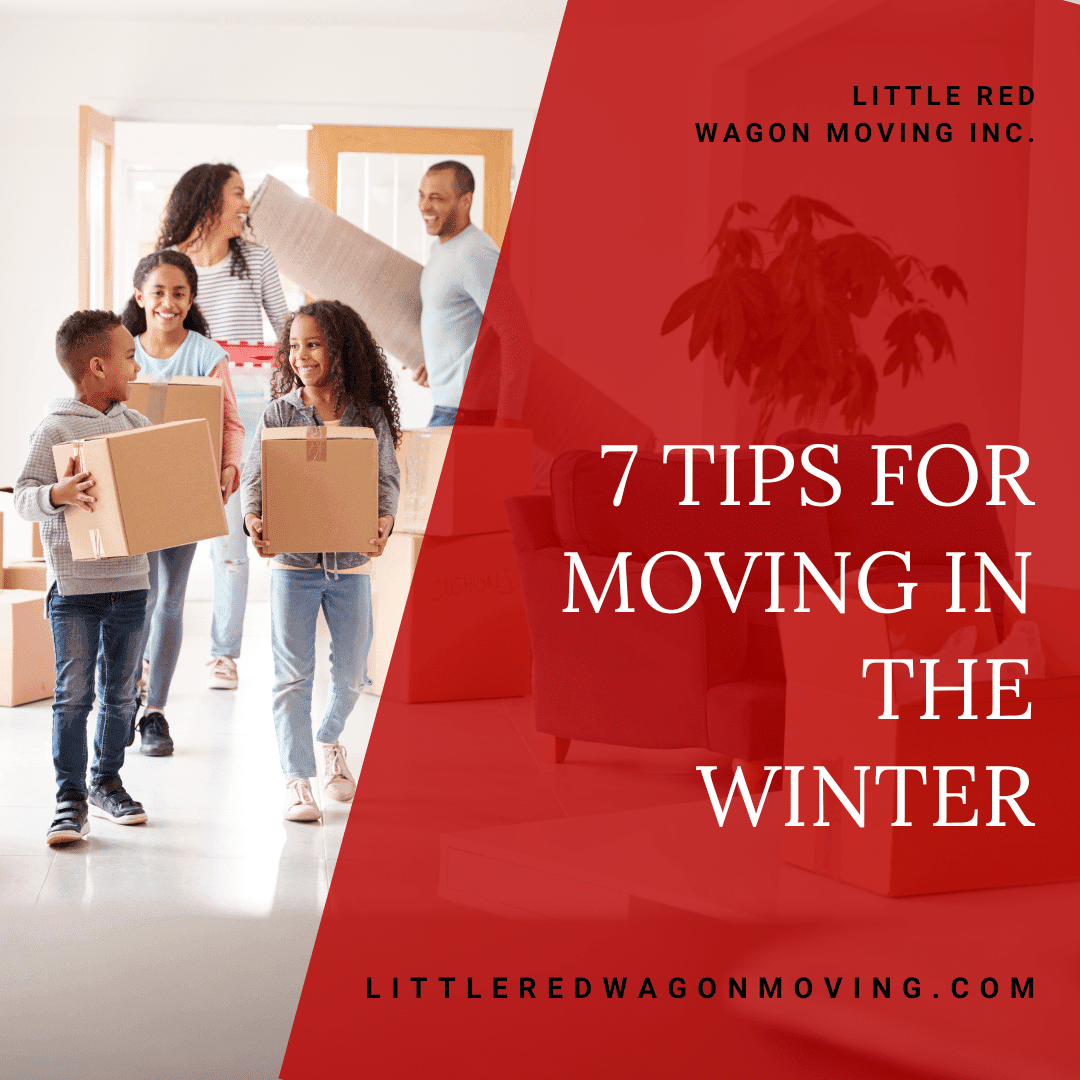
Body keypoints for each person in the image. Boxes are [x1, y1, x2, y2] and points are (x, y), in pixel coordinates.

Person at [241, 301, 399, 822]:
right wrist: (252, 519)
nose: (301, 356)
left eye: (313, 344)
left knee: (353, 675)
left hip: (350, 563)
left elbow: (386, 482)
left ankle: (329, 739)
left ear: (341, 350)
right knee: (292, 676)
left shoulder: (368, 417)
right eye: (294, 346)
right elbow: (255, 479)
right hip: (293, 564)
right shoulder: (279, 414)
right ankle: (297, 779)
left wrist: (385, 520)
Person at [15, 310, 150, 843]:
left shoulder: (136, 426)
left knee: (121, 694)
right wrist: (58, 494)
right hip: (74, 589)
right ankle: (69, 797)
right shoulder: (54, 428)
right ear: (98, 366)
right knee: (74, 695)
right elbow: (23, 497)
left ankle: (106, 781)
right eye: (129, 357)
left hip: (131, 582)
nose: (137, 367)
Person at [158, 163, 290, 692]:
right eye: (237, 192)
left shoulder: (256, 259)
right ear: (209, 199)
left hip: (248, 408)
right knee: (161, 534)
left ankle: (223, 655)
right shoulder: (170, 264)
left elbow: (287, 332)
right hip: (184, 405)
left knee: (232, 538)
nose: (246, 202)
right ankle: (145, 655)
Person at [120, 250, 245, 757]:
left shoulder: (207, 355)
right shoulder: (122, 348)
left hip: (187, 490)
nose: (167, 303)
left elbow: (231, 423)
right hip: (134, 490)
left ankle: (156, 712)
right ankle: (125, 700)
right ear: (140, 296)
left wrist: (229, 469)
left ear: (191, 299)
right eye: (158, 292)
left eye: (179, 293)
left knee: (170, 597)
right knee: (139, 598)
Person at [415, 160, 531, 427]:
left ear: (465, 201)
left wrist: (508, 418)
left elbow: (517, 333)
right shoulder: (441, 249)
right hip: (450, 407)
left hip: (468, 414)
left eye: (437, 198)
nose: (424, 206)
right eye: (422, 196)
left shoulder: (475, 253)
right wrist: (436, 367)